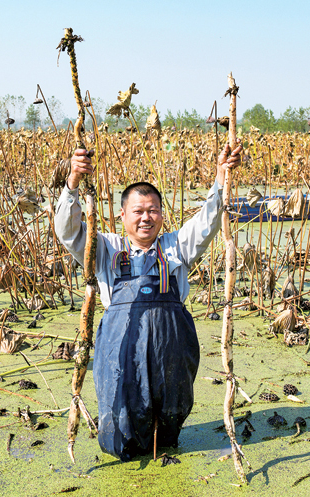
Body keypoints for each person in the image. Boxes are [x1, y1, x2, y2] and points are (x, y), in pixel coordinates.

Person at [55, 142, 242, 461]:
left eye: (152, 210)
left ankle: (167, 441)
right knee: (122, 430)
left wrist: (221, 176)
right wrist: (73, 182)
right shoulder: (105, 249)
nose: (146, 218)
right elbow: (68, 231)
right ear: (123, 215)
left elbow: (209, 220)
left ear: (162, 215)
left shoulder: (177, 247)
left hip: (171, 351)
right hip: (120, 352)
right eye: (138, 211)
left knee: (168, 426)